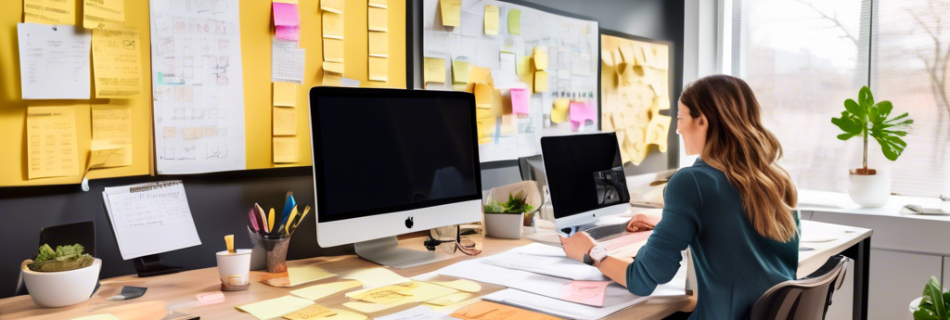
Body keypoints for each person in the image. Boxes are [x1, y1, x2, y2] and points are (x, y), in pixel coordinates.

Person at [561, 75, 800, 319]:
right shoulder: (778, 180)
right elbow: (733, 224)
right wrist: (669, 223)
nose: (677, 128)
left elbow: (642, 279)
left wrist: (592, 251)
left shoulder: (692, 182)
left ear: (702, 122)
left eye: (680, 118)